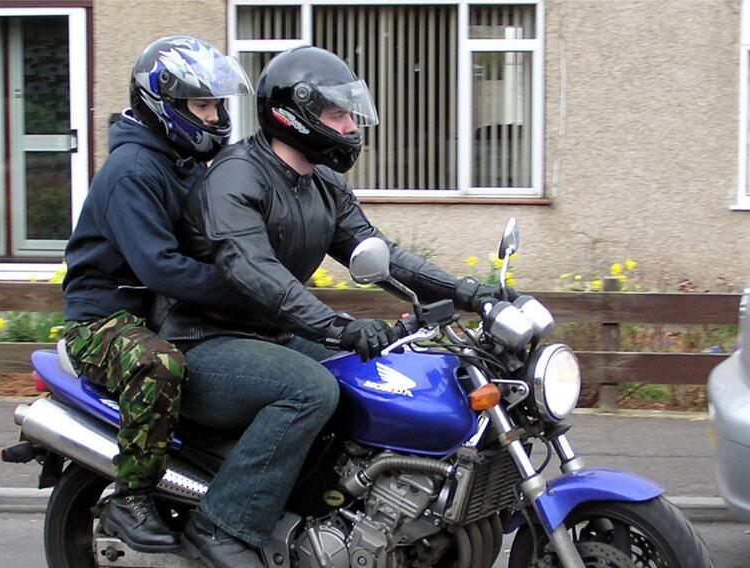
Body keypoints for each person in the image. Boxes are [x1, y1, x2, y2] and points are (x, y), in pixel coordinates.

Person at [152, 46, 510, 567]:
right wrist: (338, 326)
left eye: (349, 115)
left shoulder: (323, 183)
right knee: (309, 390)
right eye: (337, 115)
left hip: (265, 335)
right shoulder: (235, 177)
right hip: (202, 340)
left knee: (379, 374)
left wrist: (468, 292)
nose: (348, 127)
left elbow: (382, 256)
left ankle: (332, 512)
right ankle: (219, 525)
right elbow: (255, 272)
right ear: (292, 114)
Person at [60, 35, 253, 553]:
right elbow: (162, 268)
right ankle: (131, 496)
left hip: (162, 312)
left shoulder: (181, 162)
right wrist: (244, 292)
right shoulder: (133, 171)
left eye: (217, 104)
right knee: (158, 366)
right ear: (163, 105)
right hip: (104, 320)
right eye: (203, 105)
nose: (215, 117)